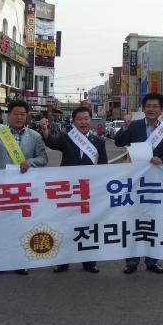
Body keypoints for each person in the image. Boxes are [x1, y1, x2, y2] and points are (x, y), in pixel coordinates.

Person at [0, 99, 48, 275]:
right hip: (1, 187)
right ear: (8, 115)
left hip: (24, 188)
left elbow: (43, 159)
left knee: (20, 225)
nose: (19, 117)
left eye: (22, 114)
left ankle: (19, 261)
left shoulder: (35, 136)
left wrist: (29, 162)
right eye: (16, 114)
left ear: (27, 116)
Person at [40, 106, 107, 274]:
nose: (83, 122)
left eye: (86, 118)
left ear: (90, 121)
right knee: (66, 224)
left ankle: (89, 261)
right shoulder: (66, 137)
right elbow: (51, 142)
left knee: (89, 225)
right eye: (80, 119)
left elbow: (104, 166)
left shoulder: (99, 141)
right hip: (69, 190)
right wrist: (45, 130)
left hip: (89, 190)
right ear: (74, 121)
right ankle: (63, 260)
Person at [115, 93, 163, 275]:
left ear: (161, 110)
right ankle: (132, 261)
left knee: (153, 221)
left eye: (155, 106)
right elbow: (118, 142)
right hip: (134, 180)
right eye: (148, 106)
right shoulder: (134, 126)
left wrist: (160, 159)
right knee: (133, 220)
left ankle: (152, 260)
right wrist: (125, 128)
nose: (151, 109)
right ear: (143, 108)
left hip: (155, 182)